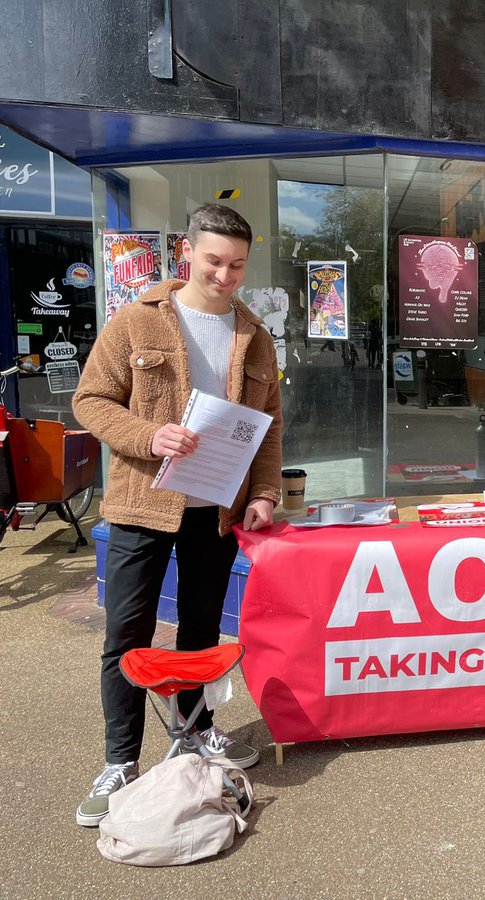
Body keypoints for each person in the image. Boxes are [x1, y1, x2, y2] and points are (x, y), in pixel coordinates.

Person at [72, 203, 282, 827]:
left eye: (237, 265)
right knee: (127, 637)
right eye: (214, 261)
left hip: (215, 509)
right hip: (143, 504)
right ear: (185, 253)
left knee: (199, 631)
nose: (224, 275)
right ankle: (119, 761)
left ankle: (193, 733)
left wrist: (265, 492)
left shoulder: (255, 334)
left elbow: (268, 432)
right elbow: (90, 400)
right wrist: (146, 435)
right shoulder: (135, 323)